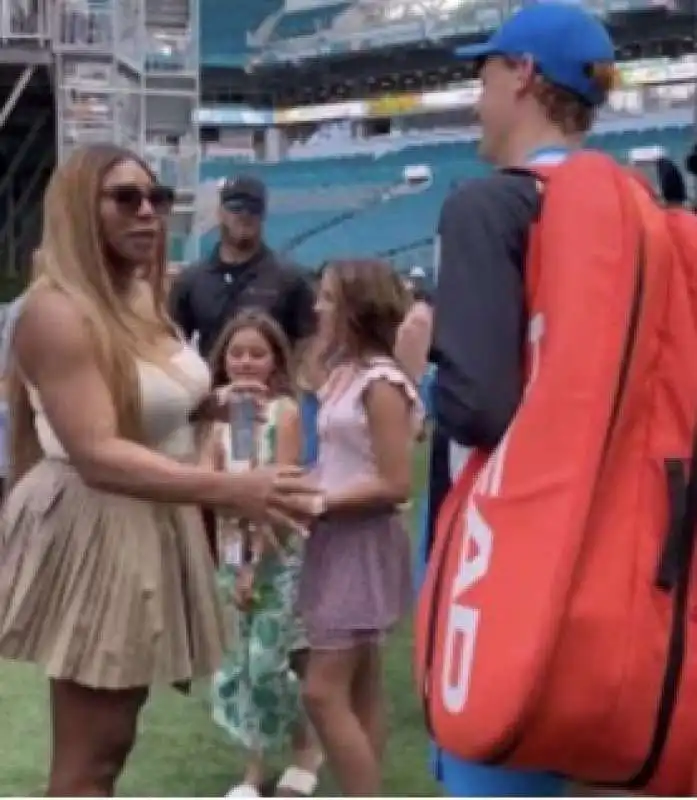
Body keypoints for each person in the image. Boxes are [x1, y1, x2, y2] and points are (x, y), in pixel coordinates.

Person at [0, 144, 316, 797]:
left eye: (156, 197)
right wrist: (233, 488)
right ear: (77, 208)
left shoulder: (136, 292)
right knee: (91, 757)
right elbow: (95, 450)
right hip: (98, 522)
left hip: (146, 514)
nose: (148, 211)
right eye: (124, 197)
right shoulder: (56, 310)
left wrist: (209, 401)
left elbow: (141, 393)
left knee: (114, 741)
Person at [424, 3, 615, 796]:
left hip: (507, 558)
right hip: (623, 550)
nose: (478, 94)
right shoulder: (641, 210)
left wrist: (424, 372)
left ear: (524, 76)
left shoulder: (488, 204)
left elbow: (476, 408)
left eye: (486, 72)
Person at [298, 259, 422, 796]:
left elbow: (395, 483)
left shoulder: (382, 383)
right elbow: (341, 460)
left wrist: (319, 501)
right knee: (363, 682)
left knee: (321, 691)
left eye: (328, 298)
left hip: (360, 541)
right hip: (337, 536)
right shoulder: (345, 374)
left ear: (356, 308)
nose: (317, 307)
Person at [204, 310, 323, 798]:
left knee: (267, 663)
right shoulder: (218, 414)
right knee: (238, 666)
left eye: (257, 353)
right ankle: (254, 770)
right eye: (237, 353)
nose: (246, 362)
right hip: (229, 554)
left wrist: (253, 563)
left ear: (275, 359)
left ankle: (305, 749)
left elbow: (276, 488)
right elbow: (208, 485)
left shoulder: (285, 412)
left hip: (274, 553)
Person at [169, 175, 316, 359]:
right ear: (220, 213)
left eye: (253, 208)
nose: (245, 215)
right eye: (236, 207)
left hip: (274, 385)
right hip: (212, 384)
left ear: (263, 215)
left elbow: (309, 347)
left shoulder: (292, 279)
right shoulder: (191, 280)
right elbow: (174, 347)